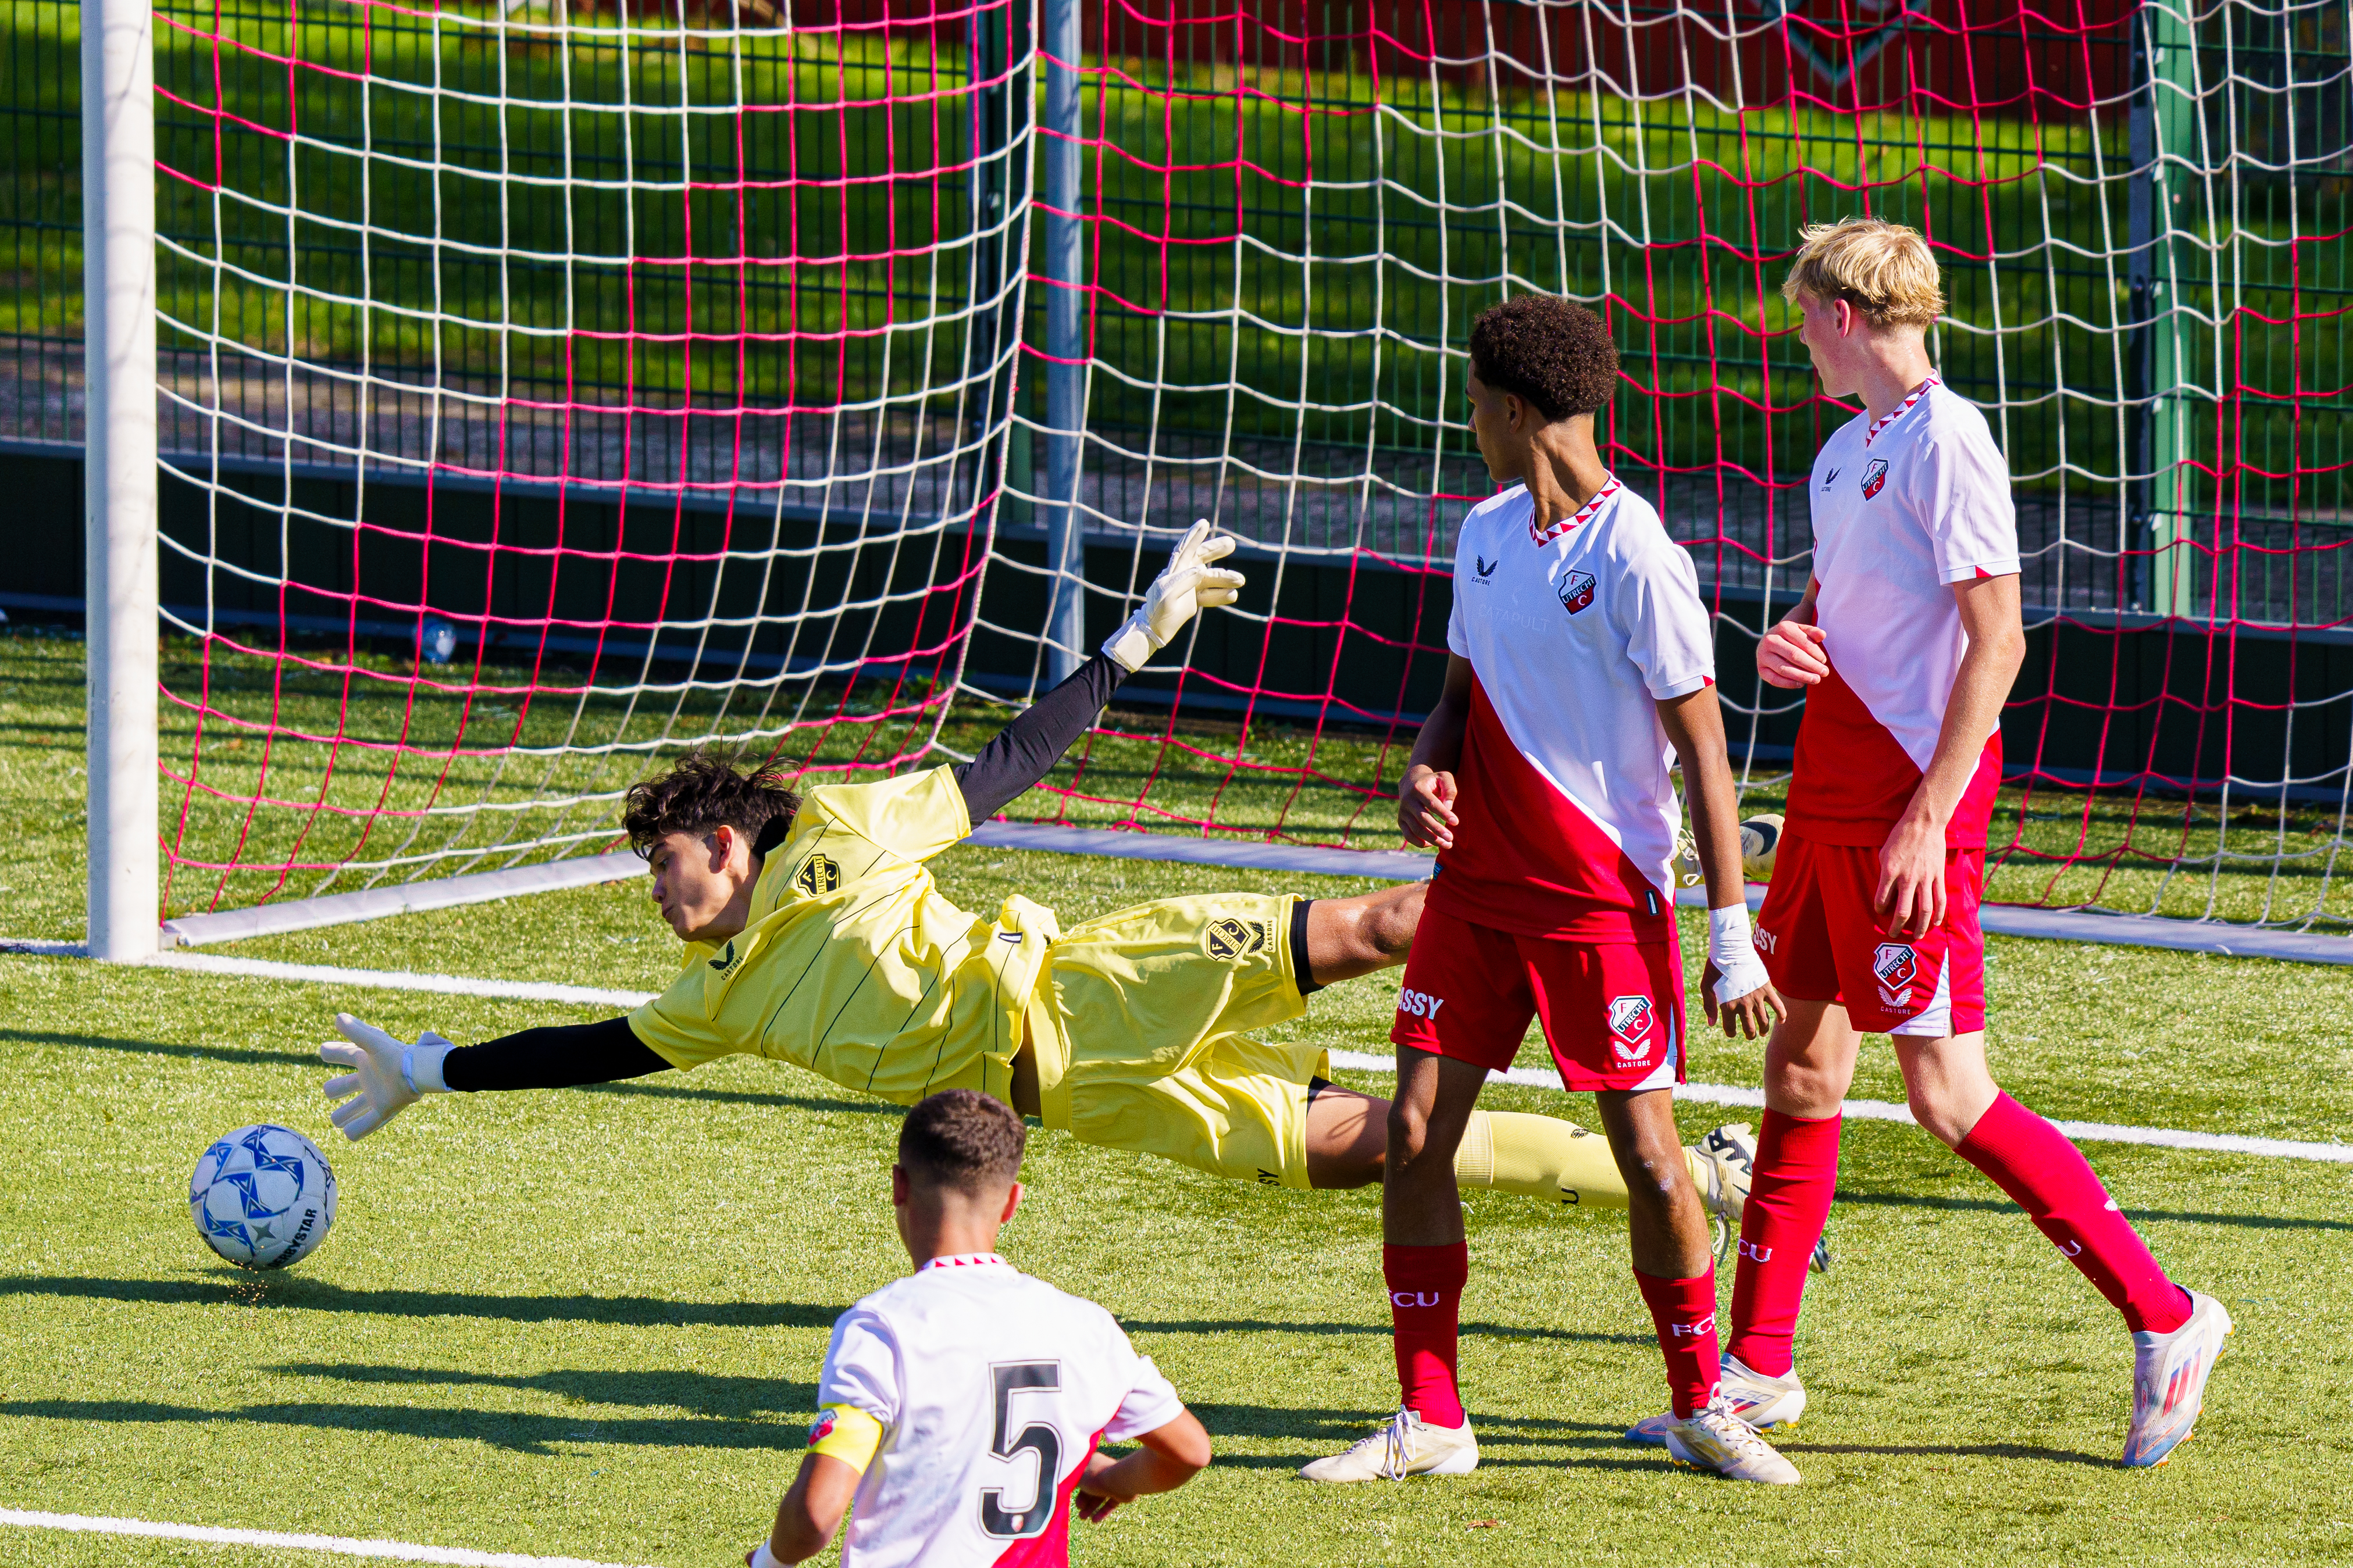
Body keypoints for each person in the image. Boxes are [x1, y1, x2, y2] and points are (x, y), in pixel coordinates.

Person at [316, 524, 1776, 1233]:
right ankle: (1698, 1174)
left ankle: (1639, 901)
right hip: (1076, 1093)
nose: (654, 892)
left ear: (724, 839)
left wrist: (1134, 642)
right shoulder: (709, 1001)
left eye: (661, 865)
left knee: (1397, 920)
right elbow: (584, 1052)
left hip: (1096, 976)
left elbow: (1001, 767)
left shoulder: (839, 820)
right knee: (1377, 1145)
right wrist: (433, 1069)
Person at [1681, 216, 2227, 1469]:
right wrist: (1789, 640)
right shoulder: (1842, 454)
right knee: (1802, 1078)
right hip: (1826, 779)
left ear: (1845, 316)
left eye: (1801, 312)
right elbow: (1843, 606)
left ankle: (2168, 1316)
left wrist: (1928, 815)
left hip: (1909, 805)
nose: (1794, 334)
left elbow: (2001, 639)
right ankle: (1759, 1368)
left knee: (1945, 1092)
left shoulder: (1950, 439)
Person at [1302, 294, 1802, 1488]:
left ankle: (1697, 1403)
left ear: (1516, 408)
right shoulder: (1479, 533)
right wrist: (1424, 767)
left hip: (1597, 910)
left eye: (1475, 403)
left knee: (1649, 1158)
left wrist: (1730, 935)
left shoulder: (1639, 556)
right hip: (1473, 898)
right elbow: (1458, 699)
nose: (1467, 421)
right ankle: (1431, 1416)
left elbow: (1704, 751)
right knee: (1415, 1135)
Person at [746, 1089, 1210, 1566]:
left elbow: (816, 1513)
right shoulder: (1086, 1325)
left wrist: (769, 1560)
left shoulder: (885, 1326)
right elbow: (1189, 1450)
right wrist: (1110, 1479)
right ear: (1012, 1201)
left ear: (899, 1186)